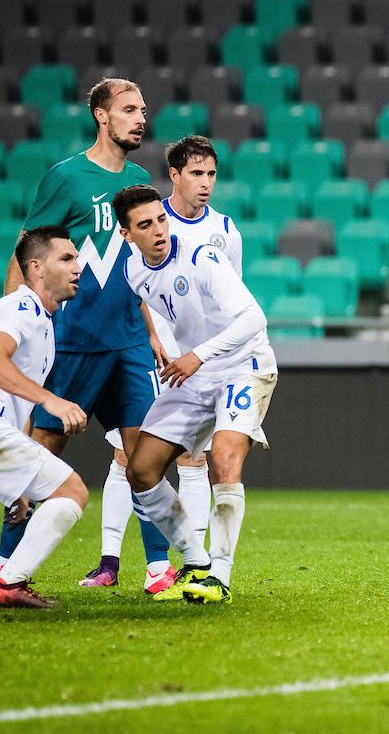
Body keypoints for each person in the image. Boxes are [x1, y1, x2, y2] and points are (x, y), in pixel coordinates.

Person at [0, 77, 178, 595]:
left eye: (143, 109)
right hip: (72, 343)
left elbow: (139, 268)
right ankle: (8, 572)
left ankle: (158, 569)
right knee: (41, 460)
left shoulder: (141, 178)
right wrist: (17, 322)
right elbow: (26, 249)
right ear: (102, 116)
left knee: (146, 456)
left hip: (128, 346)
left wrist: (154, 332)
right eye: (128, 110)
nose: (140, 118)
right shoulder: (67, 178)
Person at [80, 135, 244, 588]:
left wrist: (209, 355)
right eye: (196, 173)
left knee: (194, 461)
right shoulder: (149, 218)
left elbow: (233, 301)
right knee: (126, 455)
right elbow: (136, 289)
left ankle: (188, 565)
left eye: (211, 173)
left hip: (204, 364)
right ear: (174, 176)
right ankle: (110, 561)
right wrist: (151, 337)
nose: (206, 183)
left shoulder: (225, 231)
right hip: (157, 357)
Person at [114, 185, 277, 604]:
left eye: (161, 219)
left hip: (243, 365)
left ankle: (218, 578)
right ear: (127, 234)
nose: (158, 230)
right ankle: (196, 561)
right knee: (142, 470)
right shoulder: (134, 270)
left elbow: (254, 317)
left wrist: (196, 356)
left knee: (223, 458)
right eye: (145, 225)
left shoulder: (202, 257)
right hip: (192, 376)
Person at [0, 227, 88, 608]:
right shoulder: (20, 308)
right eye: (67, 259)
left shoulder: (41, 321)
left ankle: (6, 582)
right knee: (72, 491)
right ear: (37, 268)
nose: (79, 266)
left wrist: (18, 485)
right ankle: (8, 583)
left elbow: (16, 405)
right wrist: (52, 401)